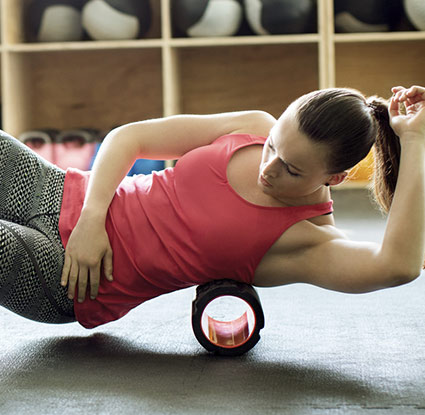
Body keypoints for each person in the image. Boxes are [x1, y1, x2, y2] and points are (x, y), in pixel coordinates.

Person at [0, 85, 424, 329]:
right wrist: (92, 220)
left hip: (68, 279)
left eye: (291, 170)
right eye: (273, 144)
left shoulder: (309, 240)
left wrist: (416, 141)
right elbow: (130, 137)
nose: (268, 168)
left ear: (334, 179)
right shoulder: (252, 126)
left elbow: (398, 265)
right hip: (63, 192)